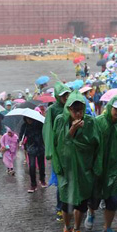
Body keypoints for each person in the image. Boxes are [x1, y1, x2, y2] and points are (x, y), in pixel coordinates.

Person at [52, 91, 100, 232]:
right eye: (74, 110)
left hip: (84, 168)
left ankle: (77, 229)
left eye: (80, 110)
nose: (77, 113)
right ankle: (66, 228)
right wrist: (71, 132)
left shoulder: (91, 122)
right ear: (68, 109)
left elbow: (94, 144)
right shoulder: (61, 121)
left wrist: (83, 132)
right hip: (67, 169)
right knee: (66, 202)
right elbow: (58, 145)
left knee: (81, 203)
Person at [86, 97, 117, 232]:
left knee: (112, 200)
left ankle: (107, 228)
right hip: (96, 167)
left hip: (112, 168)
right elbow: (89, 144)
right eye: (116, 108)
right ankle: (91, 213)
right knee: (93, 198)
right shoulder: (98, 122)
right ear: (110, 107)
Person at [43, 82, 72, 222]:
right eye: (63, 95)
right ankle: (60, 208)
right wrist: (50, 150)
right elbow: (48, 130)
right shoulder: (53, 110)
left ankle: (71, 206)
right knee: (61, 180)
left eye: (67, 94)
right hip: (58, 150)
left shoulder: (72, 106)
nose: (66, 97)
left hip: (72, 149)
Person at [19, 116, 46, 192]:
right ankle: (33, 185)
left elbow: (44, 132)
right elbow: (21, 135)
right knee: (32, 165)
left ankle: (42, 179)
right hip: (30, 147)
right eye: (27, 119)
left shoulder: (39, 124)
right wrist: (20, 140)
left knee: (41, 165)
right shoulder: (24, 126)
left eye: (30, 119)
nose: (29, 120)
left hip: (40, 146)